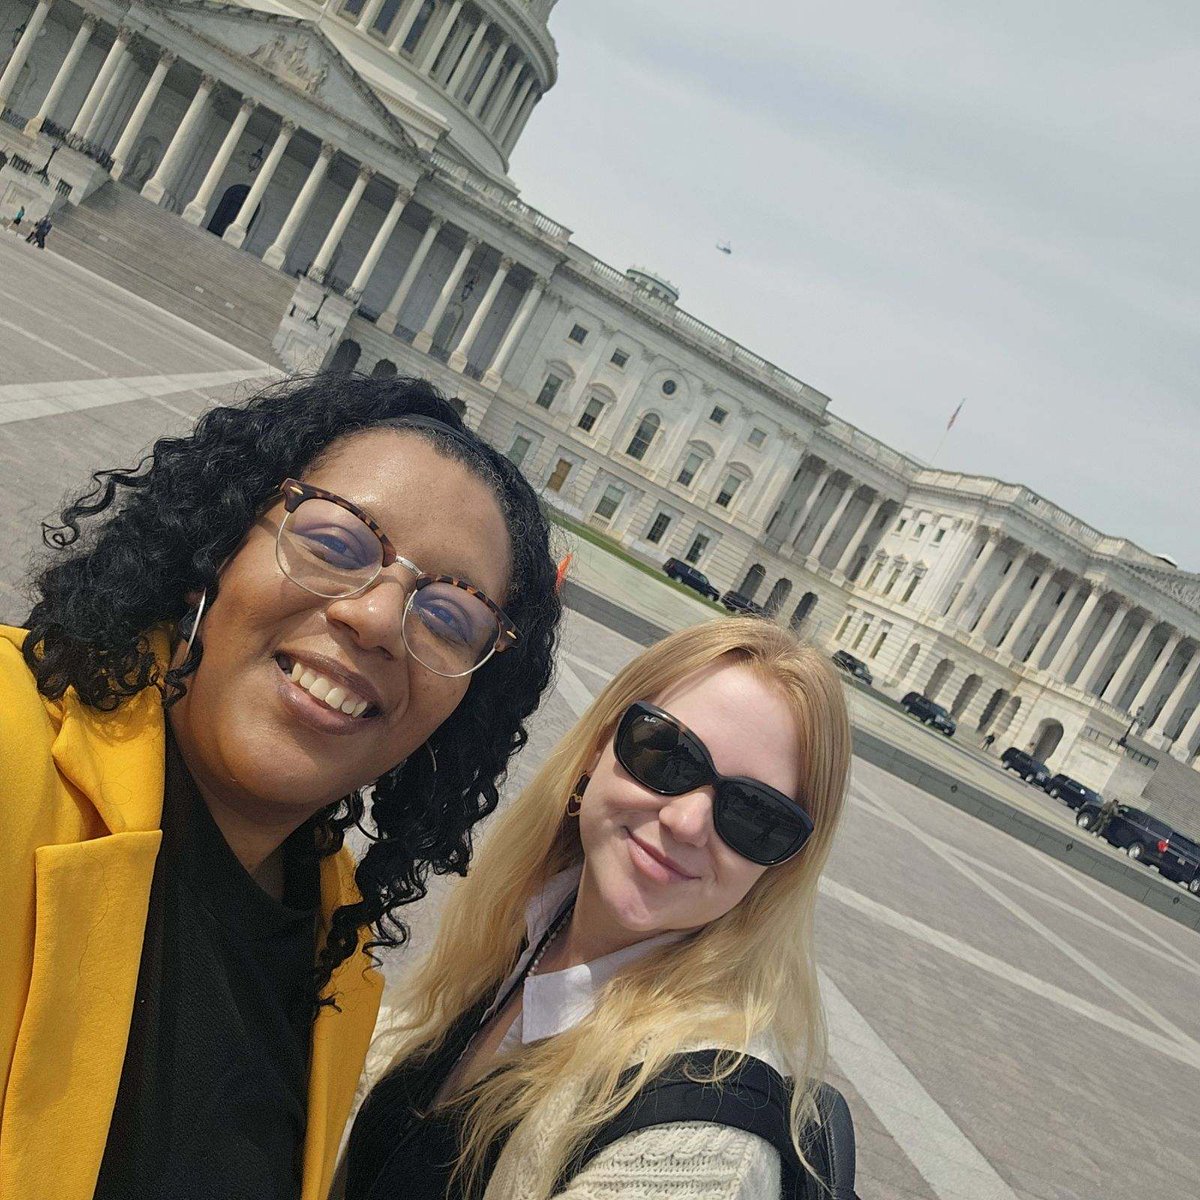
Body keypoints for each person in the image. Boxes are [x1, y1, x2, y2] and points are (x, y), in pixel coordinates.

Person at [0, 374, 561, 1200]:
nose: (375, 618)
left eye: (448, 615)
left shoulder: (340, 961)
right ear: (215, 549)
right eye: (336, 544)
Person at [343, 617, 852, 1200]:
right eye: (667, 756)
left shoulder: (701, 1147)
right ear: (596, 749)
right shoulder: (529, 924)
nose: (686, 822)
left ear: (780, 866)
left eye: (754, 816)